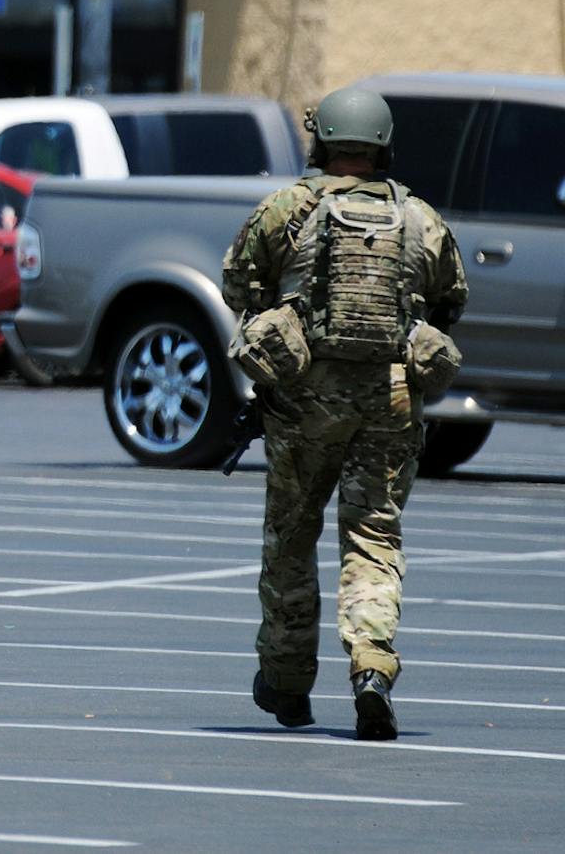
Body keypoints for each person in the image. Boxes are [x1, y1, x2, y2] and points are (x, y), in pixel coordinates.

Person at [221, 86, 466, 741]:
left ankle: (286, 681)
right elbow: (450, 297)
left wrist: (279, 315)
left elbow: (238, 277)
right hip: (390, 397)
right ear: (382, 144)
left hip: (305, 398)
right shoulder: (418, 216)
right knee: (374, 535)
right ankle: (371, 665)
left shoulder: (291, 206)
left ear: (324, 139)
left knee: (292, 535)